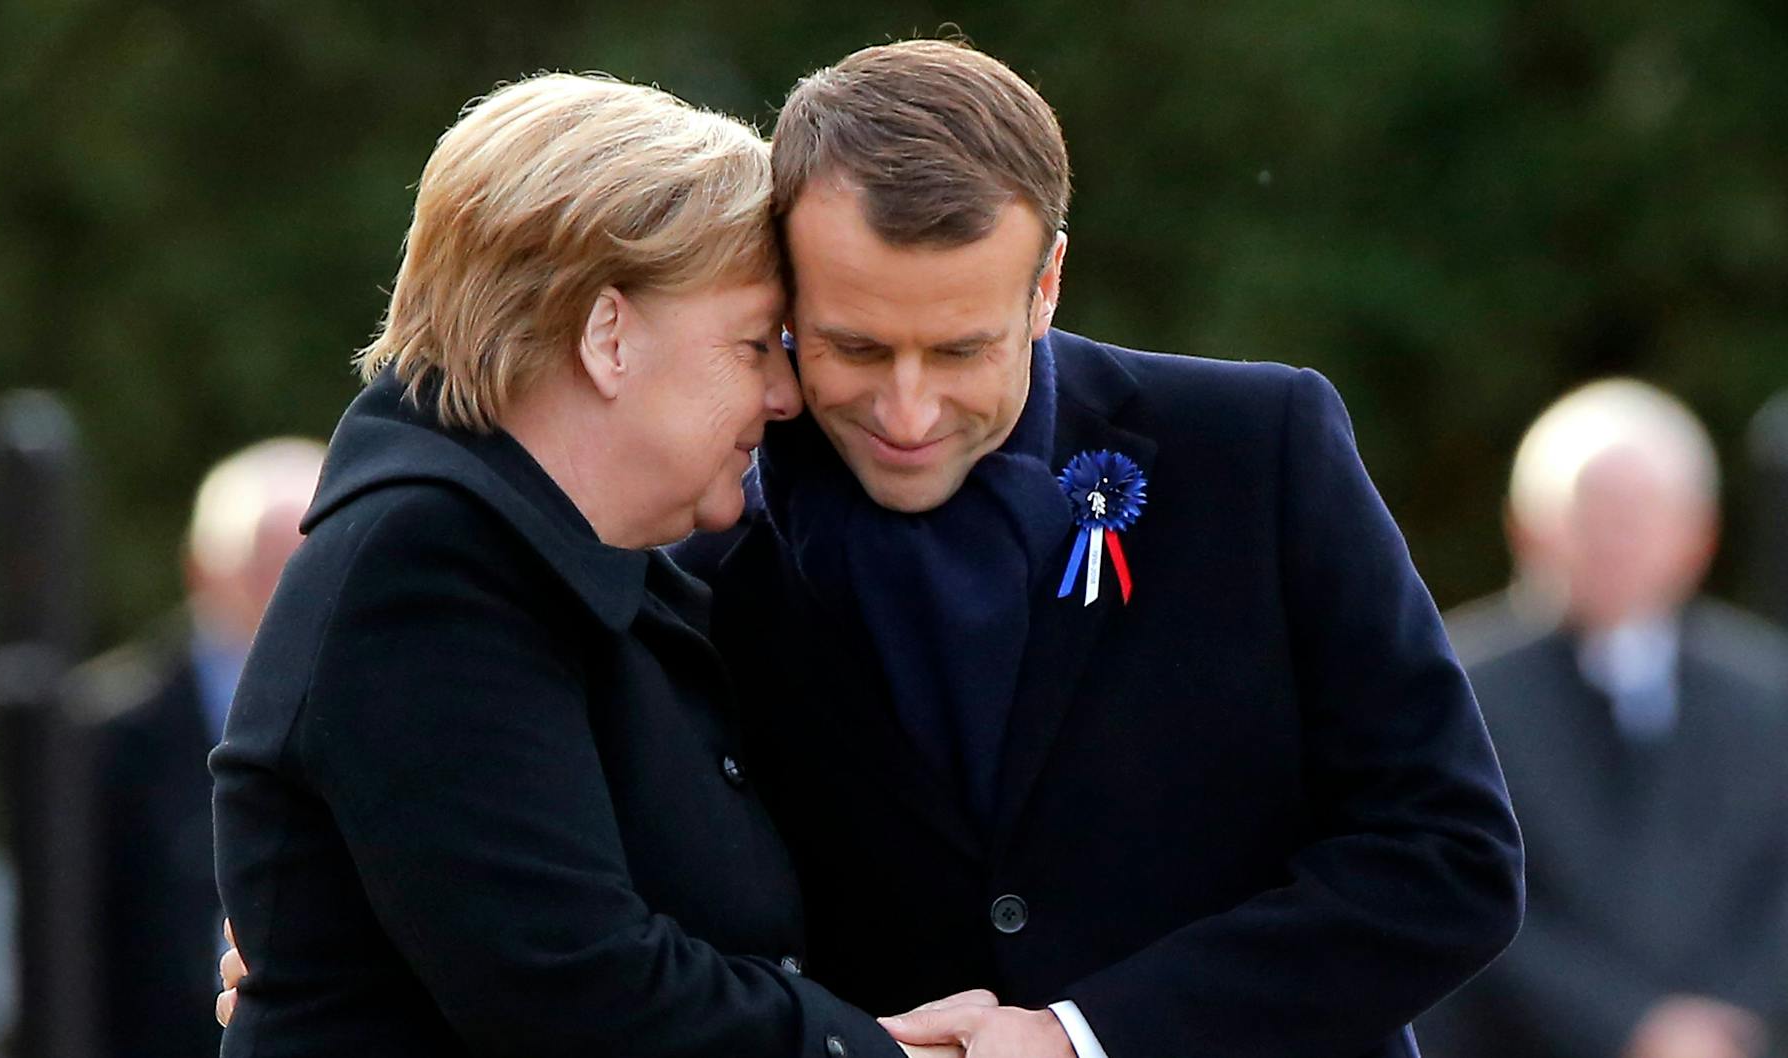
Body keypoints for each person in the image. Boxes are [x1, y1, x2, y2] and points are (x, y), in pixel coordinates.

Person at [220, 40, 1524, 1058]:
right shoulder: (694, 532)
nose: (903, 411)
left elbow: (1448, 857)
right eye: (843, 346)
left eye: (960, 350)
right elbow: (568, 907)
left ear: (1049, 285)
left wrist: (1085, 1033)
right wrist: (336, 930)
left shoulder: (1257, 447)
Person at [208, 73, 963, 1058]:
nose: (785, 393)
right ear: (609, 335)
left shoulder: (582, 573)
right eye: (750, 343)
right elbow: (576, 984)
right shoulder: (427, 570)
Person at [1419, 380, 1788, 1058]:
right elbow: (1449, 879)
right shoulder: (1457, 686)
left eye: (1639, 515)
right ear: (1525, 527)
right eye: (1589, 513)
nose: (1614, 540)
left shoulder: (1767, 692)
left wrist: (1722, 1023)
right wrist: (1628, 1026)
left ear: (1697, 535)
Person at [70, 436, 322, 1058]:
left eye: (307, 563)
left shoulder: (392, 704)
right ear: (201, 570)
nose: (285, 593)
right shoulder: (105, 729)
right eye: (264, 566)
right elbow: (72, 951)